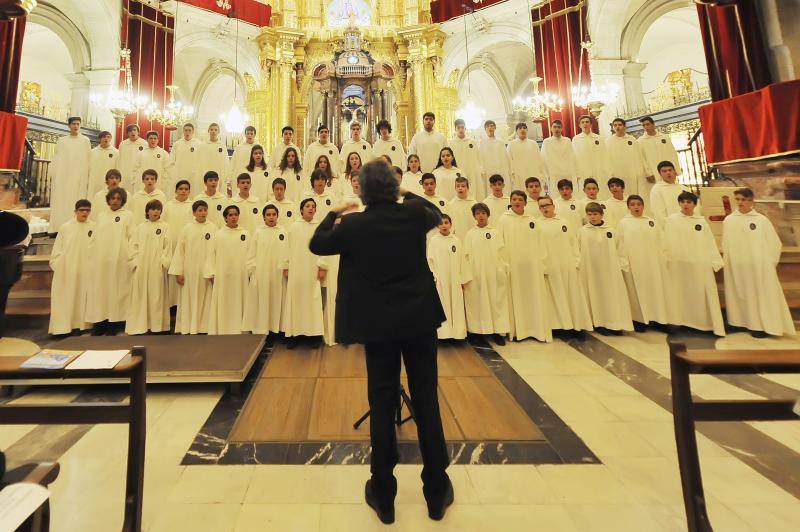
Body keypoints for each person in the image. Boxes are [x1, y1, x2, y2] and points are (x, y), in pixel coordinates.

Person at [309, 160, 453, 524]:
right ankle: (436, 490)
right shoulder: (414, 215)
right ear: (393, 187)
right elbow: (436, 213)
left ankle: (384, 493)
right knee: (427, 401)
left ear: (362, 190)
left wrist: (334, 210)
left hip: (379, 327)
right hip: (419, 321)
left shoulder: (354, 225)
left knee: (382, 400)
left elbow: (317, 244)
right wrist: (403, 191)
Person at [722, 188, 795, 337]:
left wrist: (768, 263)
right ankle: (741, 322)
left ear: (751, 201)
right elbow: (726, 243)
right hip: (738, 265)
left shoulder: (761, 220)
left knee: (758, 295)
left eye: (743, 199)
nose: (740, 202)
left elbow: (774, 243)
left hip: (758, 266)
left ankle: (760, 326)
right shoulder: (729, 220)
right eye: (737, 199)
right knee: (740, 294)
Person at [663, 191, 724, 336]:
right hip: (679, 263)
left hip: (699, 263)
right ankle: (679, 322)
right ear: (679, 203)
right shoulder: (672, 220)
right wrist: (668, 258)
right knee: (680, 293)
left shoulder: (701, 222)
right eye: (683, 202)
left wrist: (715, 260)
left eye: (689, 202)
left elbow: (709, 241)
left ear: (695, 205)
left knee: (699, 293)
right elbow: (667, 240)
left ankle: (702, 323)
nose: (685, 205)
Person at [616, 195, 676, 331]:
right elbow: (620, 244)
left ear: (643, 206)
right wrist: (623, 262)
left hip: (653, 264)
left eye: (638, 204)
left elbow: (661, 241)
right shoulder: (623, 223)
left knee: (656, 290)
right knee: (636, 291)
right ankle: (640, 320)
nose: (636, 207)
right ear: (628, 207)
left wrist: (664, 258)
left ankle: (659, 320)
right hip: (634, 263)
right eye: (632, 204)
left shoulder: (651, 222)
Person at [497, 190, 551, 342]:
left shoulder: (532, 220)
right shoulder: (504, 219)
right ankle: (518, 332)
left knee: (534, 297)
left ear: (526, 203)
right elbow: (500, 244)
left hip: (532, 268)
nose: (517, 201)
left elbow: (541, 244)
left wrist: (542, 264)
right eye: (514, 199)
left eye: (520, 199)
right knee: (517, 298)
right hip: (513, 267)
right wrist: (504, 264)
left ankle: (536, 330)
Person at [537, 196, 592, 334]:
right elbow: (536, 247)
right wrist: (543, 266)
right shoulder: (537, 225)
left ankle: (575, 326)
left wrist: (576, 261)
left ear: (553, 206)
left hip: (567, 264)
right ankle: (558, 327)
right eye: (541, 206)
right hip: (549, 267)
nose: (545, 208)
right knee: (554, 297)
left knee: (571, 295)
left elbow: (573, 242)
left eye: (547, 205)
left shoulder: (564, 222)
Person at [578, 202, 634, 335]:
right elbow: (578, 250)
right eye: (590, 214)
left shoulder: (611, 231)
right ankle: (598, 323)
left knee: (612, 296)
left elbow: (620, 249)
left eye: (595, 214)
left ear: (602, 215)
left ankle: (614, 323)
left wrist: (621, 266)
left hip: (610, 271)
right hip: (591, 271)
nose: (592, 217)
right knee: (595, 296)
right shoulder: (582, 231)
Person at [85, 187, 133, 335]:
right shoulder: (101, 216)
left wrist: (130, 258)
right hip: (102, 262)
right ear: (108, 200)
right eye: (113, 198)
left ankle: (114, 323)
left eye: (119, 199)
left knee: (116, 292)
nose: (115, 201)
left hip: (119, 262)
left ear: (123, 201)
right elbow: (95, 238)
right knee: (101, 292)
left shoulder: (128, 216)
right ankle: (100, 323)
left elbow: (132, 238)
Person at [281, 198, 326, 348]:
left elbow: (323, 249)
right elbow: (287, 247)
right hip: (297, 271)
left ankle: (313, 336)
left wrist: (322, 267)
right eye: (307, 206)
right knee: (296, 302)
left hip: (313, 270)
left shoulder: (319, 226)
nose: (311, 209)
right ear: (301, 210)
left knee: (312, 302)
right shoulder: (293, 227)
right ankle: (295, 335)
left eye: (313, 206)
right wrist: (286, 266)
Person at [462, 203, 509, 345]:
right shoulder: (470, 234)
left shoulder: (495, 233)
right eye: (477, 213)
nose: (480, 216)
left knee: (496, 302)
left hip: (494, 273)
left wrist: (502, 269)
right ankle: (478, 333)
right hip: (476, 274)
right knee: (477, 303)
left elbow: (502, 254)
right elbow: (466, 256)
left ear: (488, 214)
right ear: (474, 216)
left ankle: (497, 332)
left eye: (483, 213)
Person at [204, 205, 253, 334]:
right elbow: (211, 254)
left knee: (241, 301)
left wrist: (249, 273)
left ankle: (241, 330)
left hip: (240, 277)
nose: (233, 217)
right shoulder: (219, 235)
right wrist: (212, 273)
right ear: (225, 218)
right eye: (230, 215)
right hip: (223, 277)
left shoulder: (245, 234)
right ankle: (223, 330)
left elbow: (251, 255)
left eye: (235, 214)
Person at [49, 199, 94, 336]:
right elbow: (58, 250)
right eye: (82, 210)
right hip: (68, 270)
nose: (84, 213)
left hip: (86, 270)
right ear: (75, 211)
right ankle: (64, 327)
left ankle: (80, 326)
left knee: (82, 297)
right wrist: (60, 266)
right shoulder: (66, 227)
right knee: (67, 298)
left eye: (87, 210)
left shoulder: (94, 227)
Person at [126, 200, 171, 335]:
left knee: (156, 296)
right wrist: (136, 262)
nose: (156, 212)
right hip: (142, 267)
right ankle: (140, 326)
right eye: (153, 209)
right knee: (140, 298)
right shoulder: (140, 227)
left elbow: (167, 247)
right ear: (147, 211)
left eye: (158, 209)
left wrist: (163, 262)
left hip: (156, 267)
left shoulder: (165, 226)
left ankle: (157, 327)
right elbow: (133, 246)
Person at [168, 200, 214, 334]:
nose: (203, 212)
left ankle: (204, 327)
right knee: (190, 299)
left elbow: (216, 252)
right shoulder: (187, 228)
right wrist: (178, 272)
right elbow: (180, 251)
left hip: (206, 272)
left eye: (205, 210)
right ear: (194, 213)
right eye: (199, 210)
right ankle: (188, 327)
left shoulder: (213, 228)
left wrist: (213, 272)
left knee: (207, 300)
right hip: (190, 271)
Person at [243, 204, 288, 335]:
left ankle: (278, 329)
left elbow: (287, 252)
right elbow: (251, 254)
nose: (271, 217)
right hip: (262, 274)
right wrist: (253, 272)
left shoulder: (283, 232)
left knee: (278, 300)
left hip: (279, 274)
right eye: (268, 215)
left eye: (274, 214)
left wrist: (286, 267)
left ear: (277, 216)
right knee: (263, 301)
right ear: (263, 217)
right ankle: (263, 329)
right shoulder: (258, 232)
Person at [427, 214, 470, 340]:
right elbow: (430, 260)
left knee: (456, 305)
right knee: (443, 305)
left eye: (446, 223)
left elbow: (463, 260)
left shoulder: (456, 240)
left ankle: (457, 334)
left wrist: (462, 279)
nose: (444, 225)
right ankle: (443, 335)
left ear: (451, 224)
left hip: (455, 279)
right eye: (441, 223)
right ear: (437, 226)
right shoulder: (434, 241)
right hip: (441, 280)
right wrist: (434, 277)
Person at [49, 116, 91, 232]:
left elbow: (88, 159)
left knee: (76, 198)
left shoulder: (85, 140)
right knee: (62, 200)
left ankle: (76, 224)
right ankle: (59, 227)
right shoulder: (62, 140)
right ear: (69, 126)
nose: (76, 126)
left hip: (79, 176)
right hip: (64, 176)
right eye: (73, 124)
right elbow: (57, 158)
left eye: (78, 124)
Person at [163, 180, 194, 307]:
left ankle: (183, 306)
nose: (183, 191)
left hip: (186, 246)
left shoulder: (192, 206)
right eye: (181, 189)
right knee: (171, 278)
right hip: (171, 245)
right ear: (175, 191)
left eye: (186, 189)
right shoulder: (168, 205)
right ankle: (171, 306)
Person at [606, 118, 651, 198]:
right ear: (613, 127)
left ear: (624, 126)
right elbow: (606, 160)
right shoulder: (608, 142)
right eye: (615, 125)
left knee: (633, 196)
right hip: (617, 174)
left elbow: (640, 156)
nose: (617, 127)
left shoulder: (632, 139)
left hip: (632, 174)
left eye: (619, 125)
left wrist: (647, 172)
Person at [572, 115, 609, 197]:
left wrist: (606, 171)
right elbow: (574, 157)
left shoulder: (599, 138)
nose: (585, 124)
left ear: (591, 124)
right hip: (583, 171)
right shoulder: (576, 139)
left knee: (600, 193)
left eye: (587, 122)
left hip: (598, 171)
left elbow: (604, 156)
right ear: (579, 125)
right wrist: (577, 173)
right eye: (583, 122)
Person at [448, 119, 484, 199]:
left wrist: (480, 169)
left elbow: (478, 157)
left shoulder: (472, 142)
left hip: (472, 170)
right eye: (458, 128)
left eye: (462, 127)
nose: (461, 130)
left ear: (465, 128)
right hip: (458, 171)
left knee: (473, 191)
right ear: (455, 129)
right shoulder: (451, 143)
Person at [637, 116, 680, 182]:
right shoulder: (640, 141)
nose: (646, 127)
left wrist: (676, 169)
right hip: (653, 172)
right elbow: (641, 159)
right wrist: (648, 173)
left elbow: (672, 153)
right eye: (643, 125)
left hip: (667, 171)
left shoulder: (664, 137)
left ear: (653, 124)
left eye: (647, 124)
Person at [540, 120, 577, 194]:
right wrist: (545, 174)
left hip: (567, 172)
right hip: (553, 173)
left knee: (569, 194)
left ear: (562, 129)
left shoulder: (567, 141)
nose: (556, 129)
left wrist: (574, 172)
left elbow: (572, 157)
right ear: (551, 128)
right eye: (554, 127)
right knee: (555, 196)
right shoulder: (546, 142)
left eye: (559, 127)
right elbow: (543, 159)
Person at [507, 122, 545, 191]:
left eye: (524, 128)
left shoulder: (533, 143)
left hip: (532, 172)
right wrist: (512, 173)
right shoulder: (511, 144)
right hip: (518, 173)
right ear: (516, 131)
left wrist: (541, 173)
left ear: (527, 130)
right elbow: (509, 160)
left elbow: (538, 160)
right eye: (520, 128)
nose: (522, 130)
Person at [170, 123, 202, 193]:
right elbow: (171, 161)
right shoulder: (177, 144)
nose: (187, 132)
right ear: (183, 131)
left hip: (193, 174)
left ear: (193, 132)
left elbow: (202, 161)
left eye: (189, 130)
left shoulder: (199, 144)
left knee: (193, 192)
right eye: (186, 130)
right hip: (179, 173)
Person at [199, 122, 230, 191]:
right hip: (206, 171)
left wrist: (226, 175)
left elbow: (225, 161)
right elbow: (200, 160)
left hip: (219, 171)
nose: (213, 131)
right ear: (208, 131)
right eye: (211, 129)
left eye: (215, 130)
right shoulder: (203, 145)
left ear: (218, 131)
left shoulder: (222, 145)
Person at [88, 131, 119, 196]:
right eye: (104, 137)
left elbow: (117, 168)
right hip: (94, 181)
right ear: (100, 139)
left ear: (111, 139)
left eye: (108, 137)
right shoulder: (93, 152)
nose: (106, 139)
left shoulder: (116, 152)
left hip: (109, 182)